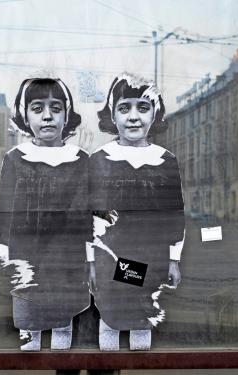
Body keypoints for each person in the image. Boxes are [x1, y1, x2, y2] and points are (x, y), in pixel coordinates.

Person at [88, 73, 185, 351]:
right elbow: (90, 218)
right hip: (110, 258)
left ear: (155, 114)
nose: (133, 117)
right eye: (124, 108)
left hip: (150, 257)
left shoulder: (167, 161)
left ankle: (137, 361)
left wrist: (173, 259)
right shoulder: (100, 159)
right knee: (111, 319)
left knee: (142, 320)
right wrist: (91, 262)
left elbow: (174, 214)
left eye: (142, 108)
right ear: (112, 114)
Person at [0, 78, 91, 351]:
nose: (47, 116)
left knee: (63, 331)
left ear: (66, 114)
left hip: (68, 263)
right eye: (37, 108)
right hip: (28, 263)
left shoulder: (81, 159)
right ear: (25, 115)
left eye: (56, 108)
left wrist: (91, 258)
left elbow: (88, 217)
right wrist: (5, 255)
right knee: (29, 337)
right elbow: (6, 213)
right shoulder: (15, 159)